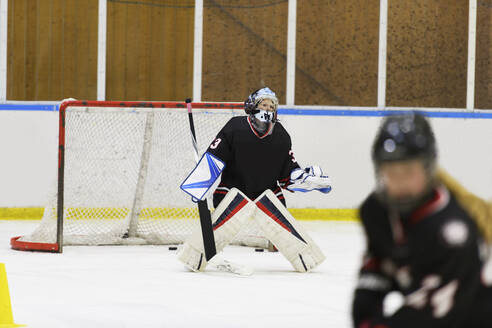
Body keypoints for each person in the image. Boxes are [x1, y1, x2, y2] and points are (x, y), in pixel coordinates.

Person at [352, 113, 492, 328]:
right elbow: (377, 269)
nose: (400, 182)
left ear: (428, 169)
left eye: (409, 171)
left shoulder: (452, 231)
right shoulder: (375, 211)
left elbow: (434, 312)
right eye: (390, 171)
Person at [179, 87, 332, 273]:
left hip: (265, 193)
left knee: (272, 199)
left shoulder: (281, 135)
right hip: (232, 192)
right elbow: (213, 158)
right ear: (252, 106)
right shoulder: (235, 127)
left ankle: (306, 258)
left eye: (270, 106)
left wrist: (305, 180)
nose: (267, 109)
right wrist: (199, 186)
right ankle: (196, 255)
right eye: (263, 104)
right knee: (234, 200)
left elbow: (287, 174)